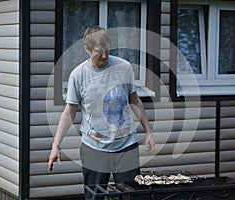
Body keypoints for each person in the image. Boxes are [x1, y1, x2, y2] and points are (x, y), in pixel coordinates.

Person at [48, 26, 155, 200]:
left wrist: (148, 131)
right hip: (94, 149)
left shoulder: (124, 67)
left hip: (126, 145)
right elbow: (69, 113)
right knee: (94, 197)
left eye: (107, 50)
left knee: (131, 196)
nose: (104, 55)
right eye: (99, 52)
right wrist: (55, 145)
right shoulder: (78, 75)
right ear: (87, 49)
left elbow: (134, 101)